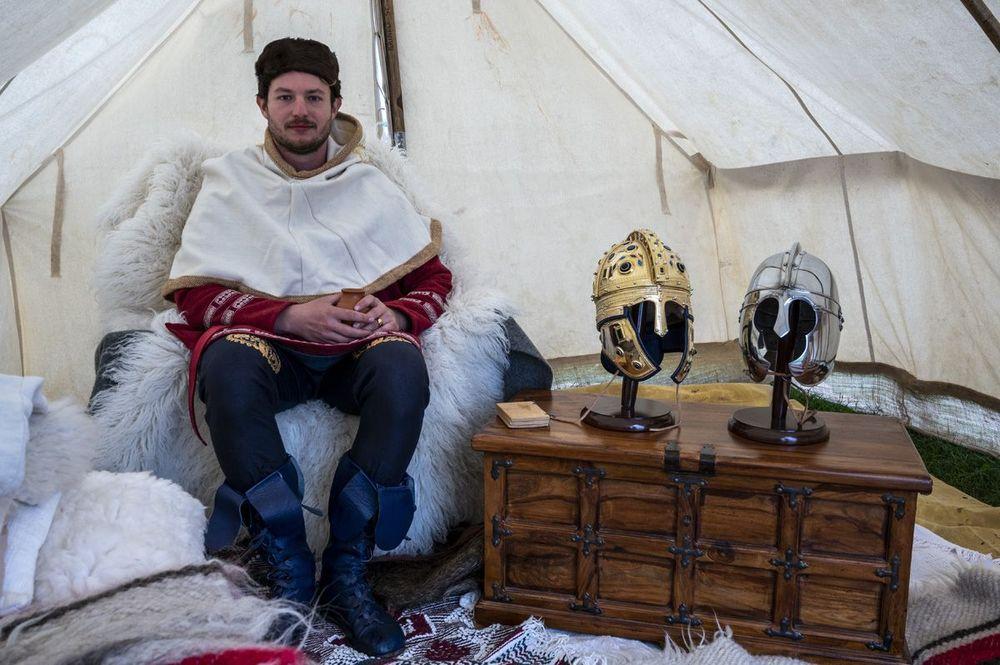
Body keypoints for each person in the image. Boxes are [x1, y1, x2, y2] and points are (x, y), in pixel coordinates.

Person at [162, 37, 452, 657]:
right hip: (273, 349)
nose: (300, 110)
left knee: (402, 363)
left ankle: (347, 573)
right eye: (285, 97)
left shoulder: (370, 184)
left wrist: (395, 311)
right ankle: (288, 567)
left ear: (336, 104)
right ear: (263, 105)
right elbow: (194, 296)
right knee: (228, 362)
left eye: (313, 97)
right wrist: (290, 315)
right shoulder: (229, 182)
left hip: (354, 352)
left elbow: (433, 280)